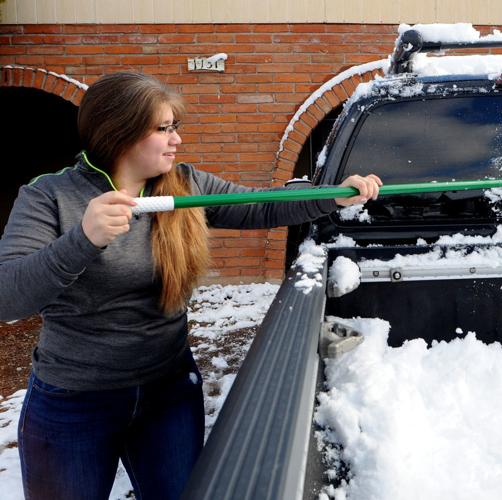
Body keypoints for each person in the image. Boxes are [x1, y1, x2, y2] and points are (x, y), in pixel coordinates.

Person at [0, 71, 382, 500]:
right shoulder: (49, 197)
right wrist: (82, 239)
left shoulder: (185, 183)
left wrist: (333, 196)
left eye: (175, 126)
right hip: (73, 401)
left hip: (167, 392)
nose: (176, 139)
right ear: (118, 132)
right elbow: (9, 297)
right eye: (163, 129)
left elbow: (257, 206)